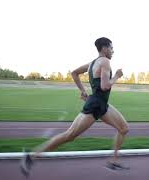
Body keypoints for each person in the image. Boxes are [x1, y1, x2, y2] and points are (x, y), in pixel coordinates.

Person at [21, 37, 129, 176]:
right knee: (69, 135)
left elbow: (74, 73)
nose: (113, 51)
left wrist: (82, 91)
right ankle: (31, 156)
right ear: (104, 48)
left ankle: (114, 161)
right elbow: (104, 86)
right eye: (111, 48)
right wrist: (117, 76)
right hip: (95, 105)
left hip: (101, 104)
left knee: (124, 128)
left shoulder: (92, 64)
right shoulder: (105, 61)